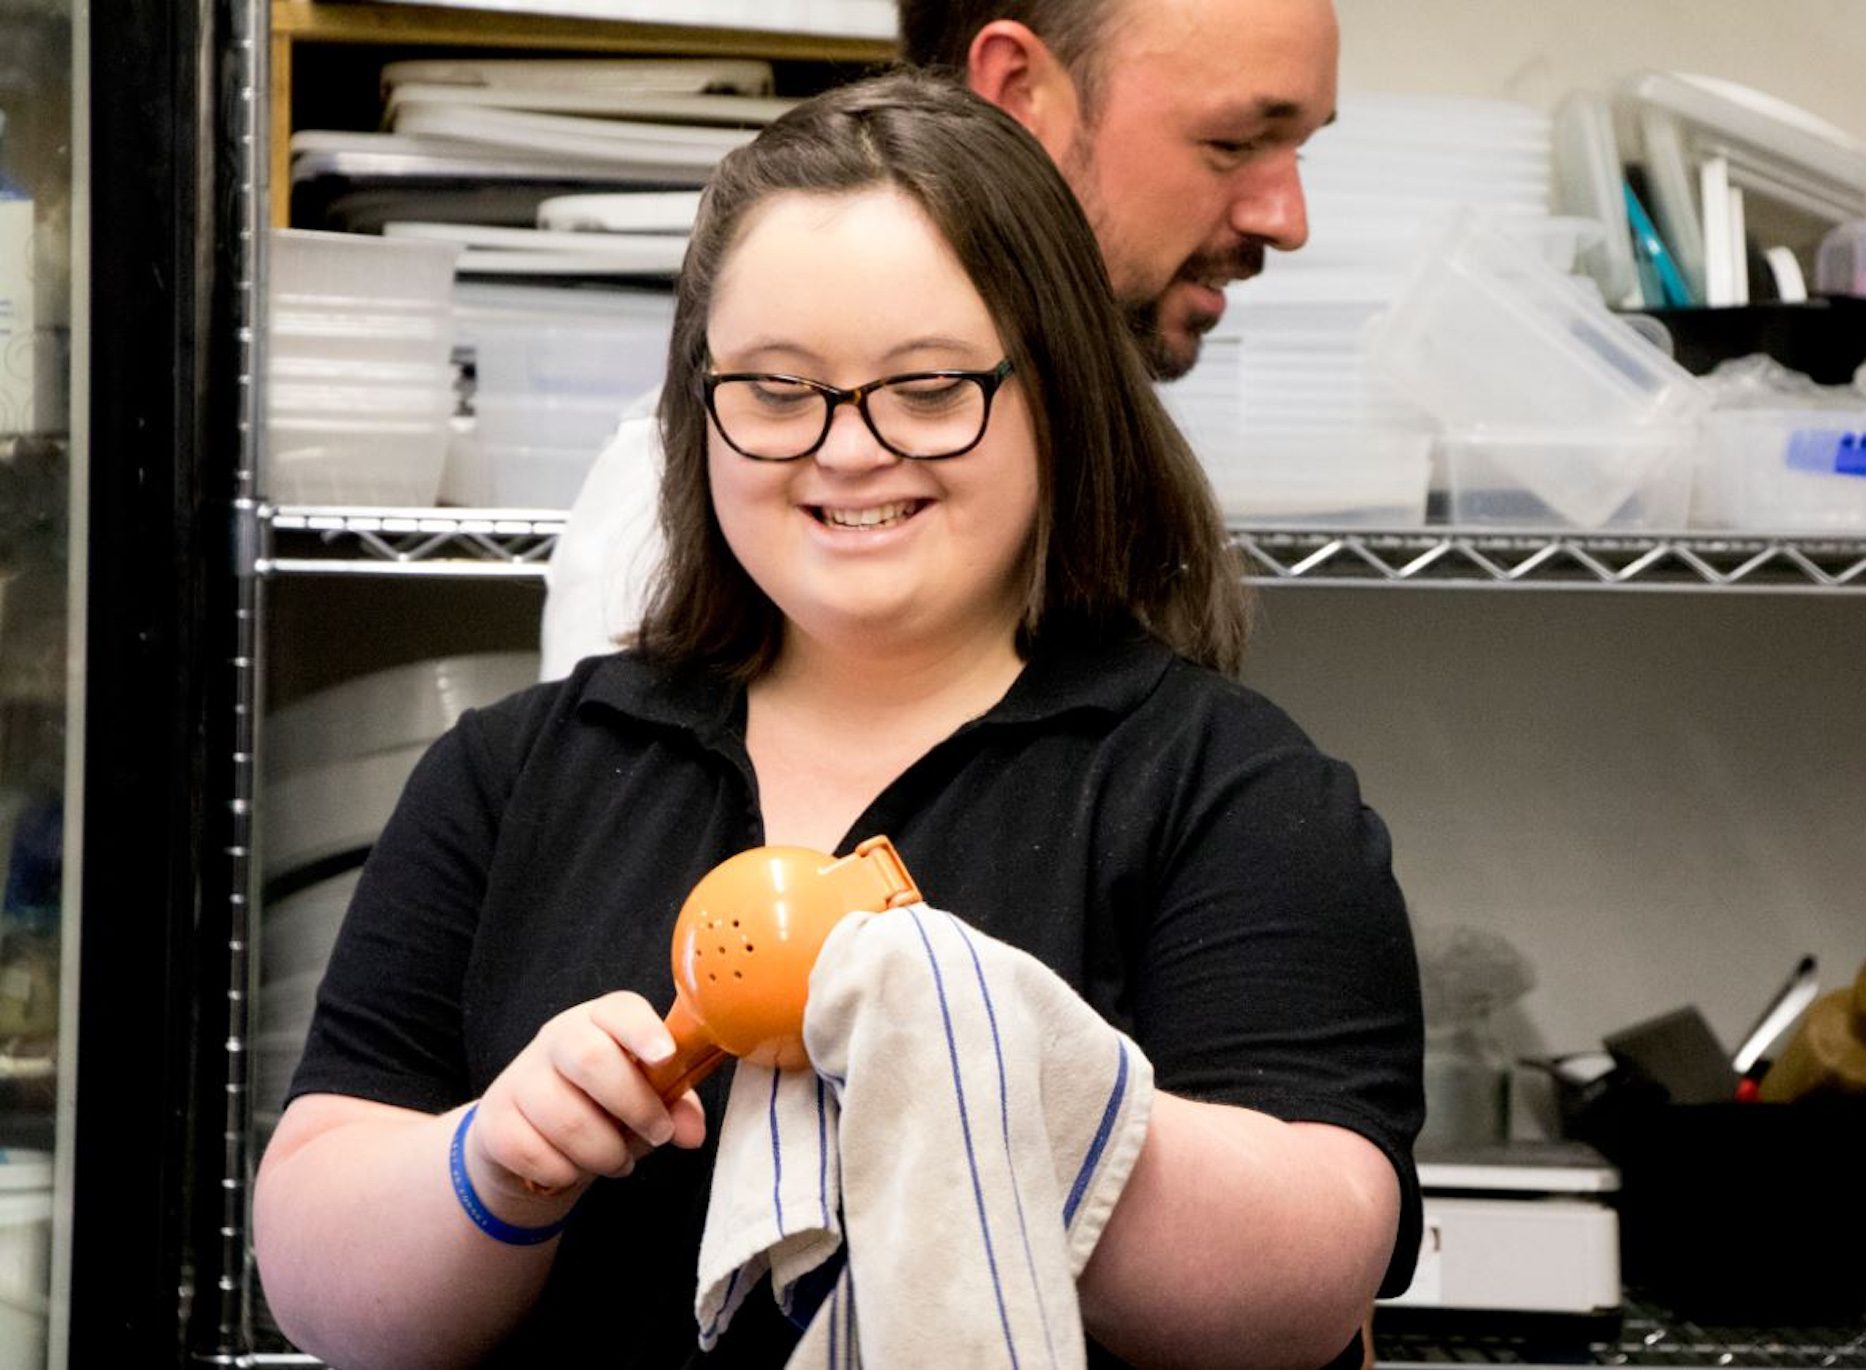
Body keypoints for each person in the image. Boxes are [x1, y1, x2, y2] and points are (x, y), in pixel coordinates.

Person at [253, 71, 1419, 1370]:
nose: (847, 448)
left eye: (927, 386)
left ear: (1062, 396)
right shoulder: (515, 774)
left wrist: (1001, 1069)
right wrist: (493, 1161)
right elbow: (312, 1256)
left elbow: (1313, 1275)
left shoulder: (1231, 791)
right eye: (774, 387)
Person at [538, 0, 1336, 680]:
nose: (1288, 220)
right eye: (1231, 142)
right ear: (1018, 92)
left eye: (932, 390)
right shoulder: (676, 538)